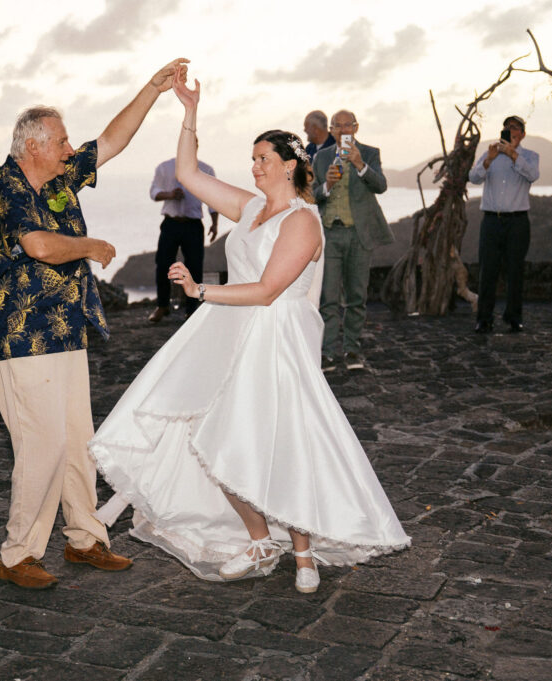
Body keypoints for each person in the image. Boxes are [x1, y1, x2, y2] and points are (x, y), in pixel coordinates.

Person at [89, 68, 410, 595]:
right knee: (213, 438)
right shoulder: (252, 207)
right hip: (230, 334)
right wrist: (190, 112)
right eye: (253, 158)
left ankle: (302, 550)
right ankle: (260, 540)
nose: (254, 166)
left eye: (263, 159)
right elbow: (188, 174)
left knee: (283, 440)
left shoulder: (303, 221)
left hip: (277, 339)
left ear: (289, 165)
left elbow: (267, 290)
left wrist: (200, 290)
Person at [0, 58, 187, 589]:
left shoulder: (60, 176)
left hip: (66, 330)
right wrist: (90, 246)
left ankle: (85, 539)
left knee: (76, 441)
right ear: (34, 145)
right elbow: (39, 246)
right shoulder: (5, 184)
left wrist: (153, 89)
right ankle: (17, 554)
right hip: (23, 339)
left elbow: (111, 141)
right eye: (63, 141)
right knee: (41, 446)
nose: (71, 149)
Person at [311, 110, 393, 371]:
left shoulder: (369, 153)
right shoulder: (322, 157)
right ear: (332, 130)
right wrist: (327, 186)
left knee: (357, 296)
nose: (344, 130)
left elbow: (381, 186)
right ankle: (327, 352)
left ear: (356, 128)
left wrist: (360, 164)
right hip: (330, 233)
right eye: (338, 126)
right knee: (328, 298)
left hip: (359, 233)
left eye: (348, 125)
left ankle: (352, 350)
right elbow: (311, 195)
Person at [469, 115, 540, 334]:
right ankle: (484, 318)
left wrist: (513, 154)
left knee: (515, 270)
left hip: (517, 221)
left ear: (523, 134)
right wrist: (488, 161)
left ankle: (514, 317)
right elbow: (473, 178)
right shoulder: (489, 153)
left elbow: (533, 175)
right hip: (491, 220)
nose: (511, 130)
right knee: (487, 270)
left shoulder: (530, 156)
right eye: (508, 127)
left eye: (515, 128)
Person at [146, 153, 218, 322]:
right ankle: (162, 306)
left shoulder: (206, 169)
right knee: (163, 264)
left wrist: (215, 224)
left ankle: (192, 309)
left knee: (195, 266)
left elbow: (213, 199)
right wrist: (169, 194)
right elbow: (153, 192)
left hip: (193, 225)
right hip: (170, 223)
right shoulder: (164, 167)